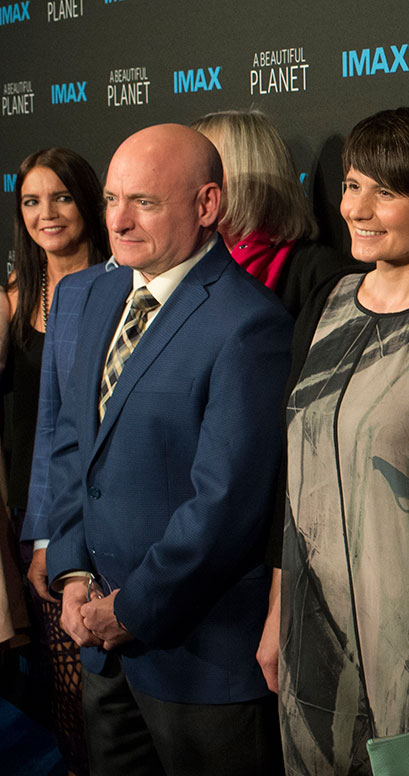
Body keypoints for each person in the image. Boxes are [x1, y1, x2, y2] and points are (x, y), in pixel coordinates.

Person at [45, 123, 291, 776]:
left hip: (199, 663)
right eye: (111, 199)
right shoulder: (97, 295)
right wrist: (71, 572)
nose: (119, 221)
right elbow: (75, 447)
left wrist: (131, 609)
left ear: (207, 205)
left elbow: (226, 506)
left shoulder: (248, 323)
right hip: (100, 646)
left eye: (145, 202)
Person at [268, 107, 409, 776]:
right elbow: (287, 473)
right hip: (306, 627)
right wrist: (275, 610)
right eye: (352, 184)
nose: (359, 207)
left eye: (387, 190)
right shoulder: (326, 301)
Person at [3, 147, 110, 776]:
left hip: (99, 511)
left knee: (102, 681)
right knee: (63, 686)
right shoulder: (16, 299)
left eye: (62, 196)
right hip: (34, 512)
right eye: (31, 201)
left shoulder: (124, 284)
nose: (47, 213)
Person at [192, 109, 351, 316]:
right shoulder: (189, 262)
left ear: (247, 171)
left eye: (200, 168)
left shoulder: (321, 273)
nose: (186, 184)